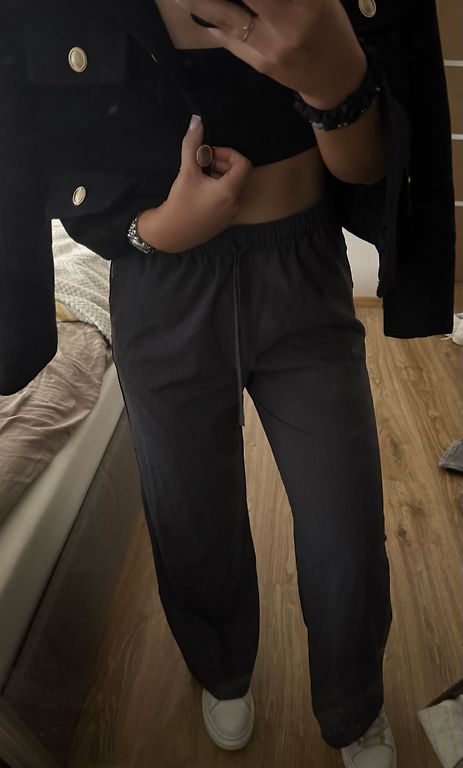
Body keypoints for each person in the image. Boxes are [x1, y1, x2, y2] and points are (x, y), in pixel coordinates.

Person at [0, 0, 455, 766]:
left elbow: (376, 165)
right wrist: (151, 230)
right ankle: (221, 669)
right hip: (159, 288)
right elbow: (28, 144)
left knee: (344, 525)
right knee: (190, 517)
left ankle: (354, 702)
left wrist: (332, 85)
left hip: (303, 271)